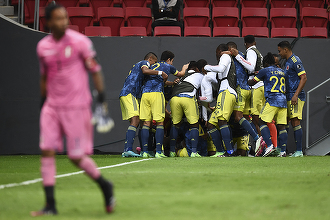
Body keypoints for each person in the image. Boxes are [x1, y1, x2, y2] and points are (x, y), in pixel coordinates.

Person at [32, 3, 114, 216]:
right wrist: (43, 104)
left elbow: (95, 71)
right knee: (46, 151)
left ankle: (105, 185)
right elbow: (43, 77)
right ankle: (50, 205)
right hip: (51, 106)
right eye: (58, 19)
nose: (63, 22)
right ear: (48, 22)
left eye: (65, 18)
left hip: (77, 107)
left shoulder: (80, 42)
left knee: (76, 157)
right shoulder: (42, 47)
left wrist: (101, 100)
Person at [139, 50, 187, 158]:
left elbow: (158, 79)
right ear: (169, 59)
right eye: (172, 61)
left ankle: (145, 151)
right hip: (157, 94)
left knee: (146, 123)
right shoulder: (168, 66)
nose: (172, 63)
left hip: (145, 94)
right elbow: (181, 74)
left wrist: (169, 82)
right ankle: (159, 152)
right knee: (160, 123)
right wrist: (185, 67)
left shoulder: (152, 65)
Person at [120, 53, 168, 158]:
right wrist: (160, 72)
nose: (153, 65)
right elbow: (145, 70)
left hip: (133, 94)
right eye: (154, 63)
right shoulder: (144, 62)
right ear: (150, 59)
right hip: (130, 93)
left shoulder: (138, 67)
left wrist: (171, 83)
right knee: (136, 120)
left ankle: (144, 150)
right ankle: (127, 150)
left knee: (142, 122)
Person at [230, 35, 266, 155]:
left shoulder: (250, 51)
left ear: (246, 43)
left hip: (252, 85)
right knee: (249, 118)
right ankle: (261, 146)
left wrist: (237, 56)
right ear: (255, 42)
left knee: (241, 117)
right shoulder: (258, 52)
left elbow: (250, 66)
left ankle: (259, 140)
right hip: (253, 87)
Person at [248, 52, 288, 157]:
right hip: (283, 100)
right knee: (281, 126)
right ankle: (283, 151)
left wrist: (247, 80)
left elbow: (252, 82)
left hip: (272, 100)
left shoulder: (264, 70)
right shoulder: (282, 71)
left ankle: (269, 146)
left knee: (261, 121)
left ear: (265, 62)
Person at [204, 44, 238, 157]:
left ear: (221, 51)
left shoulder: (225, 56)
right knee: (211, 124)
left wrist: (207, 67)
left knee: (222, 121)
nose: (216, 54)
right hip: (223, 93)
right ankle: (220, 151)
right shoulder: (227, 60)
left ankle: (230, 152)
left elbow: (221, 69)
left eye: (217, 52)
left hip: (226, 91)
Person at [169, 61, 206, 157]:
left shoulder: (182, 77)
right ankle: (194, 152)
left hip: (174, 98)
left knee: (175, 125)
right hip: (188, 96)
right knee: (194, 124)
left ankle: (172, 151)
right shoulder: (200, 75)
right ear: (197, 69)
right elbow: (203, 93)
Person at [278, 41, 307, 157]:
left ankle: (299, 151)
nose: (279, 53)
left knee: (295, 121)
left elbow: (304, 78)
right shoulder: (287, 62)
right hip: (289, 96)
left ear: (286, 50)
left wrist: (295, 94)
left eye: (280, 51)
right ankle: (283, 150)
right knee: (286, 122)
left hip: (296, 97)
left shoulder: (295, 60)